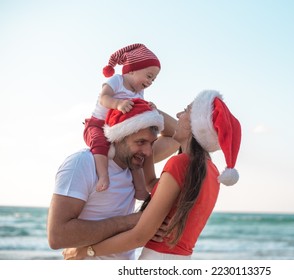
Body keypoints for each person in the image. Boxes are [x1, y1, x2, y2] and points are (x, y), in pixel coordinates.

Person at [63, 90, 241, 260]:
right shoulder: (210, 169)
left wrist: (84, 251)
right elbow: (149, 183)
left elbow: (139, 237)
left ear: (197, 124)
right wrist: (149, 112)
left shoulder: (180, 163)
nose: (178, 114)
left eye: (186, 110)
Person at [47, 98, 179, 259]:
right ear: (118, 137)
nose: (148, 152)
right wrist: (134, 221)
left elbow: (177, 135)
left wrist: (149, 110)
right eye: (141, 142)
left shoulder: (137, 163)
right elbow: (58, 236)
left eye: (151, 143)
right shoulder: (82, 163)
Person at [84, 43, 161, 192]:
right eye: (149, 76)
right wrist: (117, 104)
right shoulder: (117, 81)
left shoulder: (139, 92)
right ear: (132, 70)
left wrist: (150, 108)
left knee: (133, 153)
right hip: (98, 125)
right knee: (99, 144)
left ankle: (141, 188)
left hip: (118, 131)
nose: (150, 82)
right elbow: (104, 97)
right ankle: (103, 176)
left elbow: (139, 110)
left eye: (153, 80)